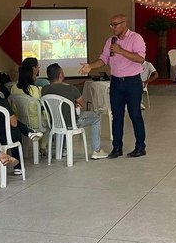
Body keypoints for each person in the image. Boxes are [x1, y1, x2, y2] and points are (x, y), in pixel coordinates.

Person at [79, 14, 147, 158]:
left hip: (132, 82)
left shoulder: (136, 38)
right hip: (116, 82)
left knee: (135, 114)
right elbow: (103, 59)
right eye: (111, 25)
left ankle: (140, 146)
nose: (113, 28)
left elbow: (140, 59)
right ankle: (117, 148)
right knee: (117, 116)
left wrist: (121, 51)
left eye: (115, 24)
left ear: (124, 23)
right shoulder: (110, 41)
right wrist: (90, 67)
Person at [0, 71, 42, 172]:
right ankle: (18, 167)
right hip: (3, 137)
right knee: (15, 130)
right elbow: (14, 123)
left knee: (10, 125)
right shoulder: (0, 101)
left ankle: (28, 131)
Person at [41, 63, 109, 160]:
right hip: (72, 123)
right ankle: (96, 151)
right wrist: (75, 105)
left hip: (54, 123)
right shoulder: (71, 88)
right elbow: (82, 104)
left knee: (63, 116)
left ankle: (64, 149)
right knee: (96, 118)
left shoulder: (44, 90)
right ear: (60, 75)